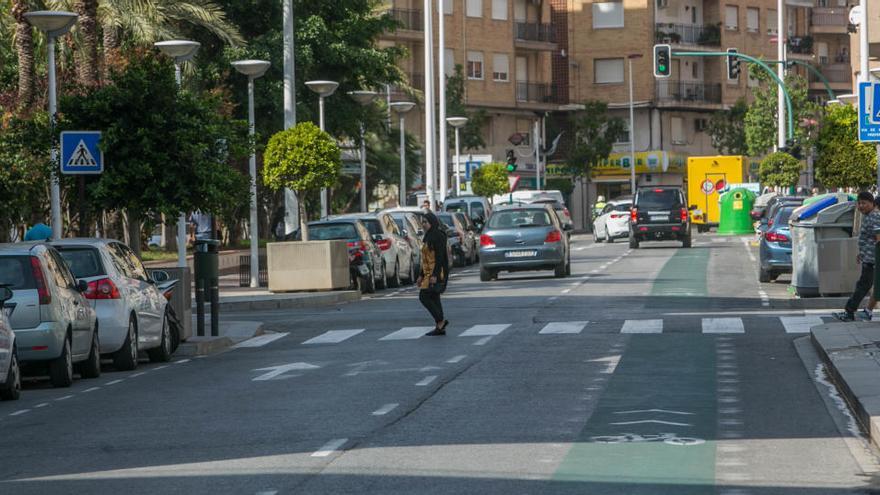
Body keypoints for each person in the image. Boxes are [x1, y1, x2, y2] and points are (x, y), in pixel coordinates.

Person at [834, 191, 880, 322]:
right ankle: (859, 312)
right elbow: (869, 239)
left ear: (872, 203)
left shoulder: (875, 216)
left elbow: (878, 239)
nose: (861, 206)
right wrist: (862, 253)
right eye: (859, 203)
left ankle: (850, 312)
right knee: (866, 286)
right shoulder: (869, 216)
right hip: (869, 258)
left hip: (873, 260)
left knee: (863, 286)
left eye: (864, 203)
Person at [417, 211, 449, 336]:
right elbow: (425, 258)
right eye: (422, 222)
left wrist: (435, 275)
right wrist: (421, 275)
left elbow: (440, 257)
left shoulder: (439, 236)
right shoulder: (428, 236)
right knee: (434, 297)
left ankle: (440, 321)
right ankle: (440, 327)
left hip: (436, 272)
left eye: (426, 222)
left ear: (432, 222)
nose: (423, 225)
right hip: (428, 273)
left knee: (424, 296)